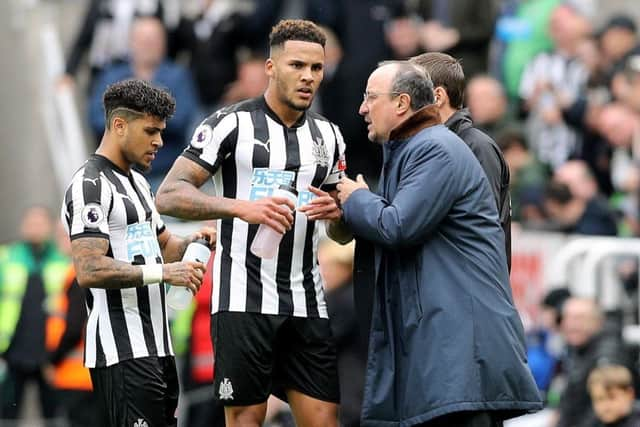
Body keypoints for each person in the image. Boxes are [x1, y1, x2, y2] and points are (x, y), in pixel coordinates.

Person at [155, 19, 348, 427]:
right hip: (243, 299)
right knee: (245, 418)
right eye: (297, 65)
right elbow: (169, 194)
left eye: (317, 67)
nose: (309, 77)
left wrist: (341, 215)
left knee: (326, 420)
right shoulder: (229, 124)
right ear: (271, 67)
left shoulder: (330, 136)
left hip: (305, 299)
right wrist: (242, 208)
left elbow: (339, 231)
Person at [336, 60, 542, 426]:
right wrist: (350, 207)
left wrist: (356, 198)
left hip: (461, 354)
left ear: (401, 104)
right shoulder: (414, 149)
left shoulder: (436, 148)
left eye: (370, 98)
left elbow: (397, 225)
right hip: (442, 353)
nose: (362, 108)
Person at [60, 79, 213, 427]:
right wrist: (163, 273)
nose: (159, 141)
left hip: (159, 345)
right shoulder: (90, 184)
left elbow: (164, 248)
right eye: (150, 131)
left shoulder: (139, 183)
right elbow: (89, 268)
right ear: (118, 125)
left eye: (161, 131)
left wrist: (193, 244)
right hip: (122, 350)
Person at [409, 52, 512, 271]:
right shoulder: (421, 147)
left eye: (410, 93)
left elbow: (482, 230)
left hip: (470, 292)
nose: (403, 102)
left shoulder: (477, 147)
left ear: (437, 97)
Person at [0, 205, 69, 425]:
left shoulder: (63, 261)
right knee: (6, 413)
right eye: (30, 222)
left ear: (50, 227)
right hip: (11, 351)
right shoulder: (6, 257)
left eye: (40, 223)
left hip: (49, 353)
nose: (34, 228)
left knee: (54, 415)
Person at [554, 297, 634, 427]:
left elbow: (606, 410)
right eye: (566, 317)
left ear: (597, 321)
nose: (570, 324)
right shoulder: (579, 349)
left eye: (578, 318)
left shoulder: (608, 353)